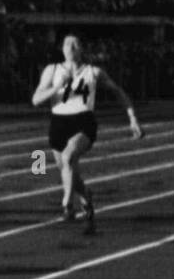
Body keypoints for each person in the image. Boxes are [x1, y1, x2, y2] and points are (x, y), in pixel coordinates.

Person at [31, 33, 143, 234]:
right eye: (67, 43)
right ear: (62, 49)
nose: (71, 46)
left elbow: (118, 91)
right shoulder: (52, 70)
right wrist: (57, 86)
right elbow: (36, 99)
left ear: (82, 49)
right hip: (58, 123)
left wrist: (132, 118)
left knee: (68, 157)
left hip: (83, 122)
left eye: (76, 43)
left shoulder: (93, 72)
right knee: (70, 172)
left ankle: (66, 204)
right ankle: (86, 200)